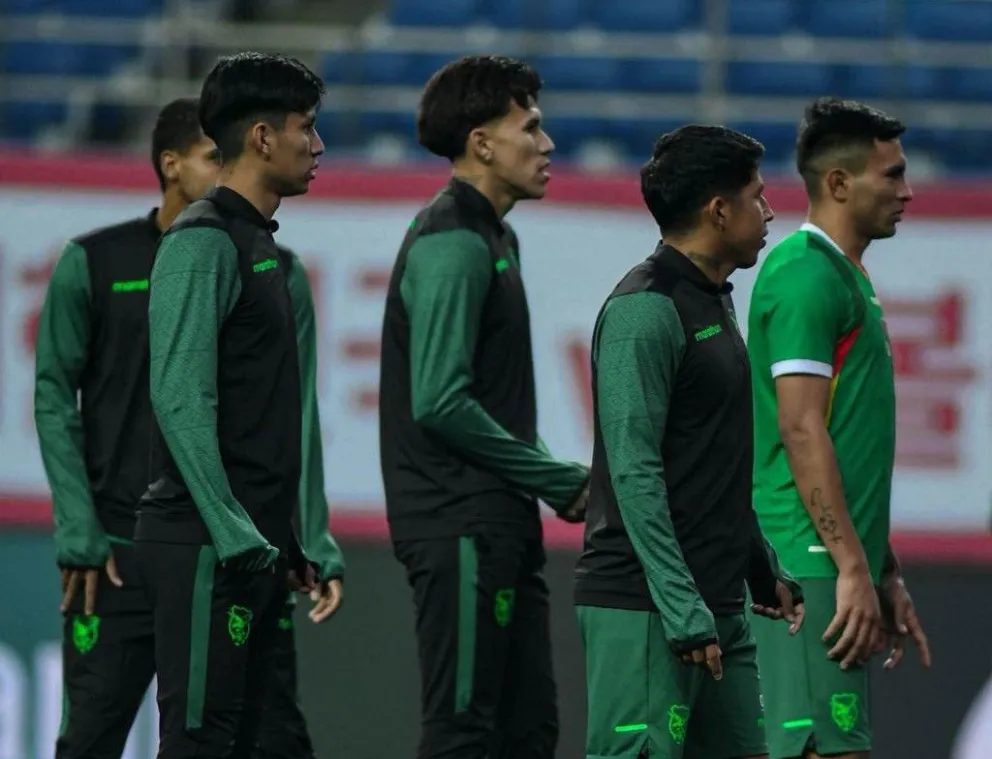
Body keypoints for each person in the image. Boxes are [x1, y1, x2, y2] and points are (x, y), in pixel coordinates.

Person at [378, 54, 589, 759]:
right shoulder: (452, 240)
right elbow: (439, 400)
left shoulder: (498, 236)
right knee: (464, 730)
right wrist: (555, 477)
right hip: (458, 521)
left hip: (497, 521)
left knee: (527, 731)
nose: (547, 143)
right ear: (481, 143)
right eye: (530, 127)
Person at [574, 125, 803, 759]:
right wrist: (681, 606)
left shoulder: (712, 301)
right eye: (757, 197)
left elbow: (711, 461)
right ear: (718, 211)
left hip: (718, 606)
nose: (770, 210)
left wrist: (760, 565)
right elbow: (634, 469)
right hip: (647, 610)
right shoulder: (645, 308)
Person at [136, 53, 337, 759]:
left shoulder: (261, 249)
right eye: (306, 129)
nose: (317, 146)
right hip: (204, 543)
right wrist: (232, 529)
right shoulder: (202, 241)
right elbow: (180, 394)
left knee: (265, 744)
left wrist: (287, 538)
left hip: (250, 551)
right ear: (260, 137)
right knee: (198, 741)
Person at [34, 97, 221, 759]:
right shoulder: (93, 261)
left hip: (207, 556)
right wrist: (76, 525)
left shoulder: (252, 270)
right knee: (87, 741)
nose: (229, 174)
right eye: (213, 157)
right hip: (112, 553)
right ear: (171, 165)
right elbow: (54, 393)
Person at [747, 97, 932, 759]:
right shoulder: (803, 276)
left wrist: (882, 567)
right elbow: (800, 428)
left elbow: (848, 431)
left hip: (834, 562)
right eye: (892, 175)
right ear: (838, 183)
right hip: (805, 564)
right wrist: (851, 563)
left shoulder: (848, 277)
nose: (908, 191)